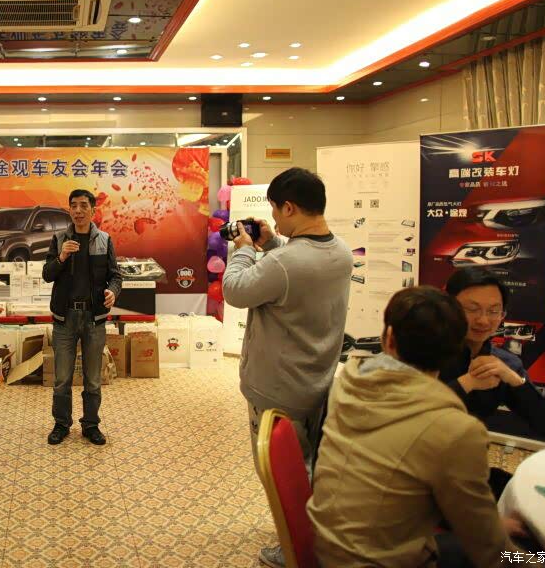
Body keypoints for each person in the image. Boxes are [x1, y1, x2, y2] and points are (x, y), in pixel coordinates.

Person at [307, 287, 522, 567]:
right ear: (455, 350)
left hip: (325, 546)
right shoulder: (456, 430)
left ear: (388, 338)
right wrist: (536, 560)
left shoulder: (349, 381)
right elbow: (488, 547)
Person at [221, 167, 352, 568]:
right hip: (317, 381)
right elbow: (297, 269)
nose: (275, 218)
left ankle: (297, 546)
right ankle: (312, 533)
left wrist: (245, 248)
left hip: (276, 390)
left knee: (283, 476)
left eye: (277, 211)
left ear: (290, 207)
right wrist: (274, 243)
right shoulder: (341, 252)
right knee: (309, 466)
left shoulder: (284, 263)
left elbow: (235, 290)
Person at [443, 268, 545, 495]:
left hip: (466, 467)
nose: (483, 320)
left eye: (494, 311)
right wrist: (467, 383)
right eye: (472, 309)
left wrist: (515, 380)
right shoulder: (424, 349)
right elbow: (407, 416)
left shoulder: (504, 363)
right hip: (415, 466)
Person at [42, 189, 122, 447]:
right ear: (69, 210)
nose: (78, 210)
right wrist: (62, 257)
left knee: (93, 379)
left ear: (93, 210)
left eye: (83, 205)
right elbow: (47, 274)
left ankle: (91, 425)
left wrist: (113, 291)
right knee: (62, 379)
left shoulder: (104, 239)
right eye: (73, 206)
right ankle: (61, 424)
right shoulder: (59, 239)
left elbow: (115, 275)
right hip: (65, 318)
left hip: (93, 318)